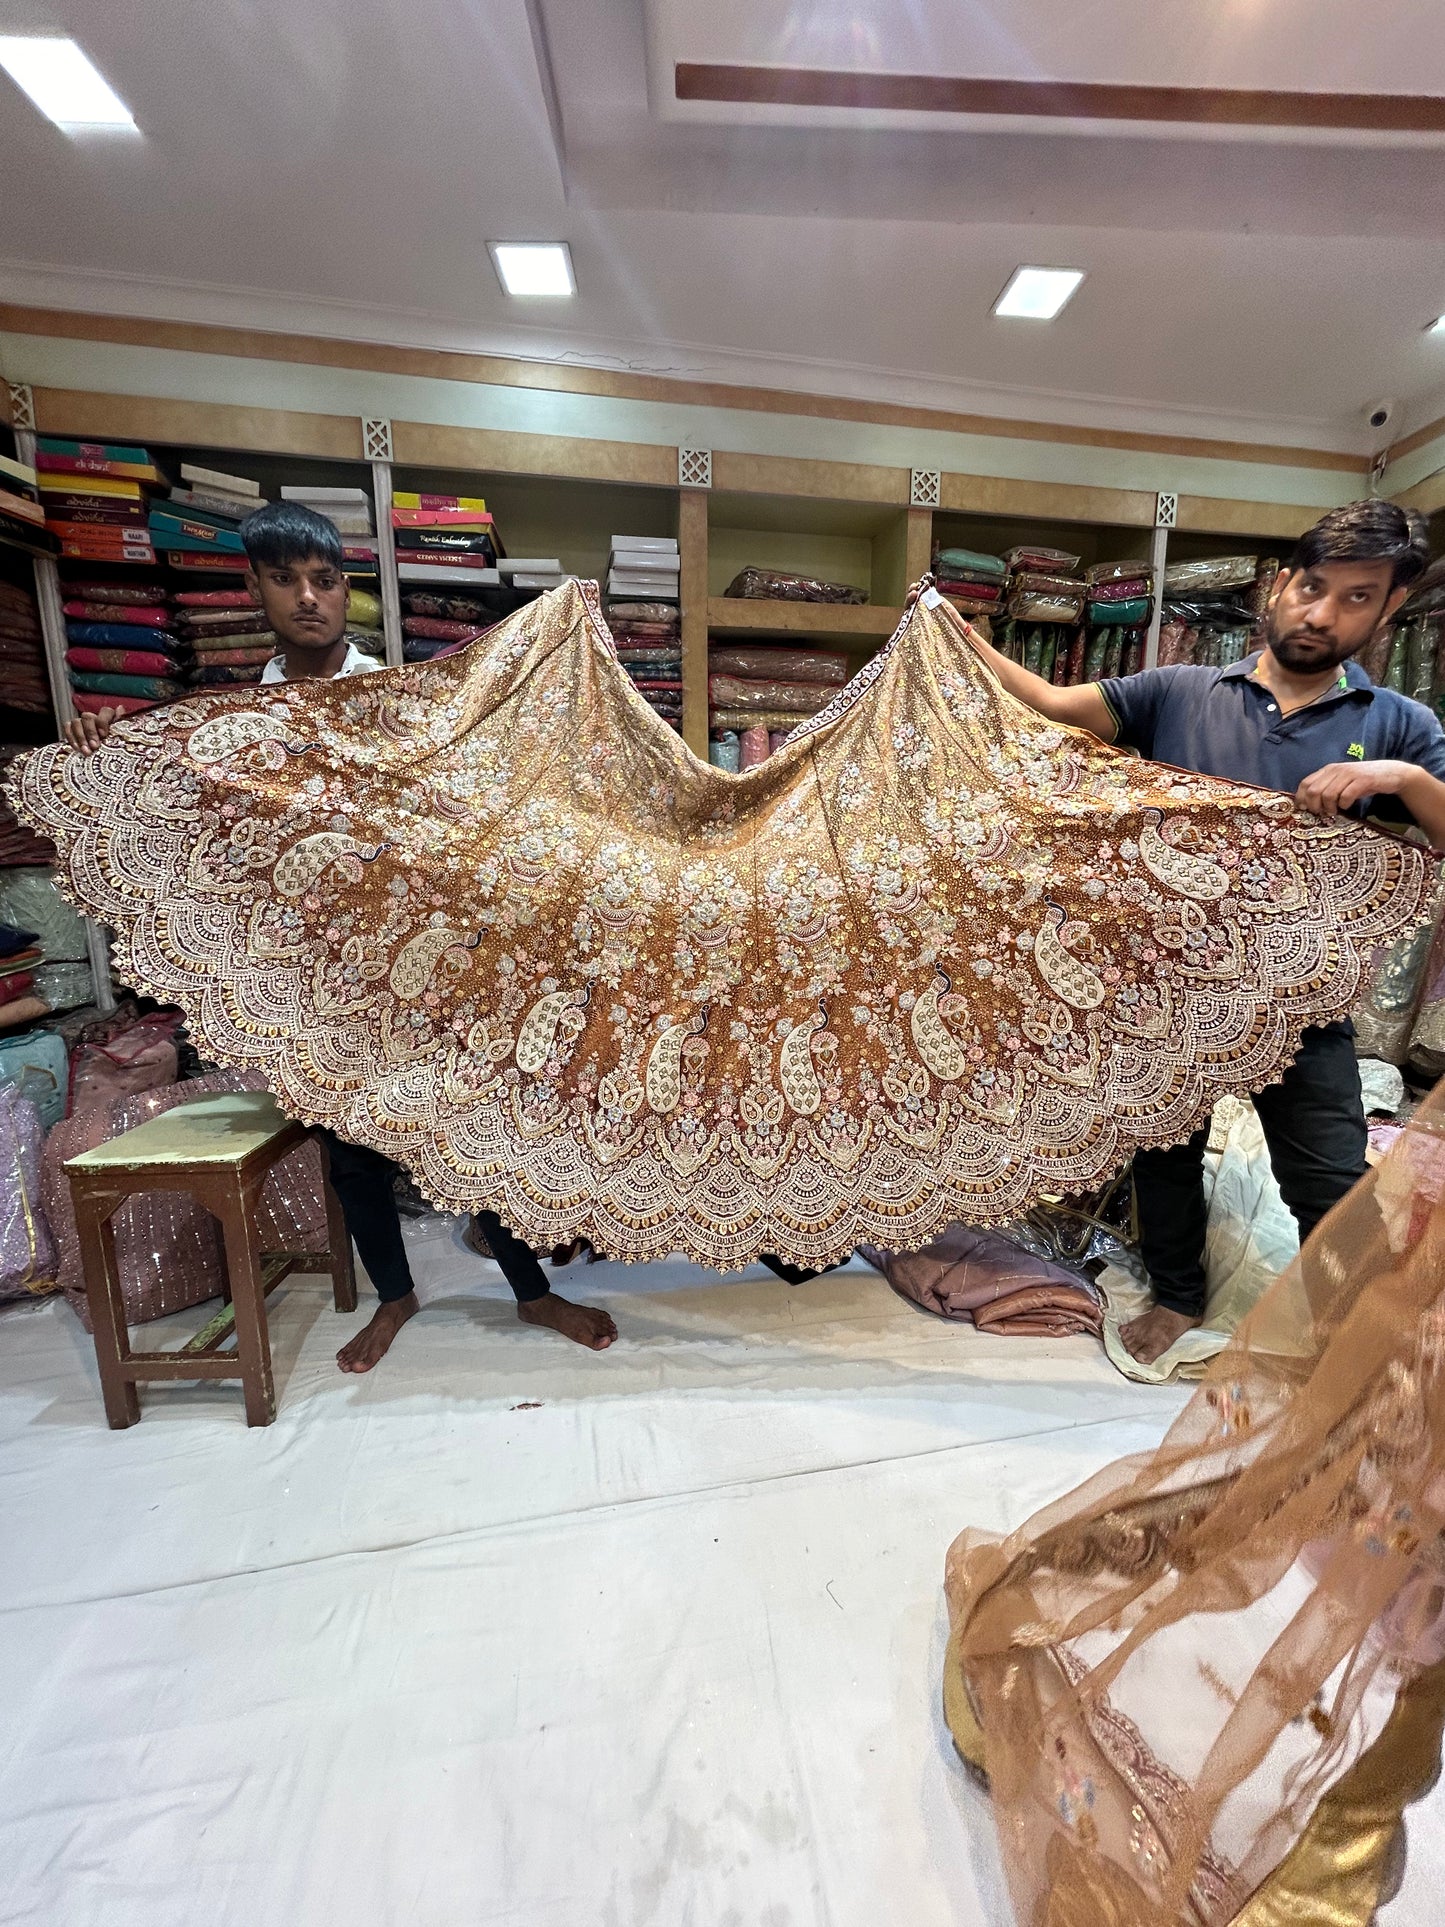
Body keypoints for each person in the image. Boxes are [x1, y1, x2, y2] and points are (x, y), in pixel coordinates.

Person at [64, 500, 618, 1371]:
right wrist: (103, 742)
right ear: (255, 589)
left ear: (346, 590)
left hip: (420, 966)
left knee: (475, 1131)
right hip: (314, 973)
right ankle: (395, 1297)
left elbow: (467, 798)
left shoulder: (396, 703)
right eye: (285, 579)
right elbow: (181, 806)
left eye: (323, 579)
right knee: (352, 1151)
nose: (307, 597)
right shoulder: (235, 732)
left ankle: (533, 1291)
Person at [958, 499, 1445, 1365]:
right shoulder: (1179, 692)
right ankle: (1177, 1295)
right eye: (1311, 586)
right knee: (1165, 1155)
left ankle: (1350, 1342)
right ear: (1279, 584)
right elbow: (1045, 701)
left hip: (1301, 997)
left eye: (1356, 597)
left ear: (1388, 609)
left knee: (1330, 1177)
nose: (1321, 613)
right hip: (1166, 986)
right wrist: (951, 639)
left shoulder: (1398, 724)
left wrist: (1397, 777)